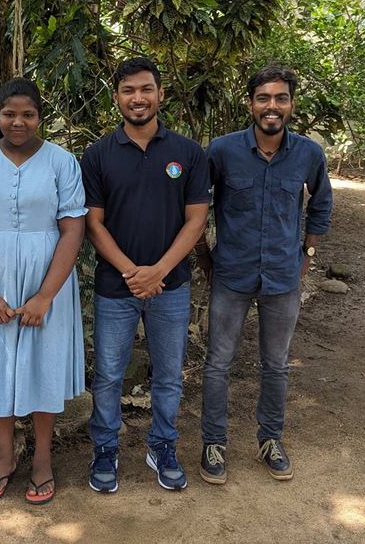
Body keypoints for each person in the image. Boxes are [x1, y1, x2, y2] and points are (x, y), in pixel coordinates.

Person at [196, 64, 333, 485]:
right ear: (250, 103)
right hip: (231, 275)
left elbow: (321, 205)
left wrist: (306, 253)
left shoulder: (309, 154)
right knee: (218, 363)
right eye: (263, 98)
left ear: (291, 104)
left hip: (283, 278)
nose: (272, 107)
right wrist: (206, 260)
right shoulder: (222, 150)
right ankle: (213, 443)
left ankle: (270, 439)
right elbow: (196, 208)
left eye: (280, 98)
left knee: (276, 364)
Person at [0, 77, 87, 505]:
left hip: (48, 276)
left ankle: (43, 457)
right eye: (9, 113)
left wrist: (45, 295)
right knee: (0, 364)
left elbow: (72, 229)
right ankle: (6, 454)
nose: (18, 122)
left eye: (28, 114)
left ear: (39, 118)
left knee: (43, 363)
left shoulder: (62, 162)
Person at [81, 57, 210, 494]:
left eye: (146, 89)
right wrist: (132, 272)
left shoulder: (188, 153)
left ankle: (163, 446)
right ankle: (105, 449)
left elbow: (196, 221)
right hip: (115, 287)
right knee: (109, 375)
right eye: (129, 91)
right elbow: (93, 224)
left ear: (160, 94)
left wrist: (158, 271)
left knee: (170, 374)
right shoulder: (98, 154)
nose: (138, 98)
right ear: (116, 97)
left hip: (170, 287)